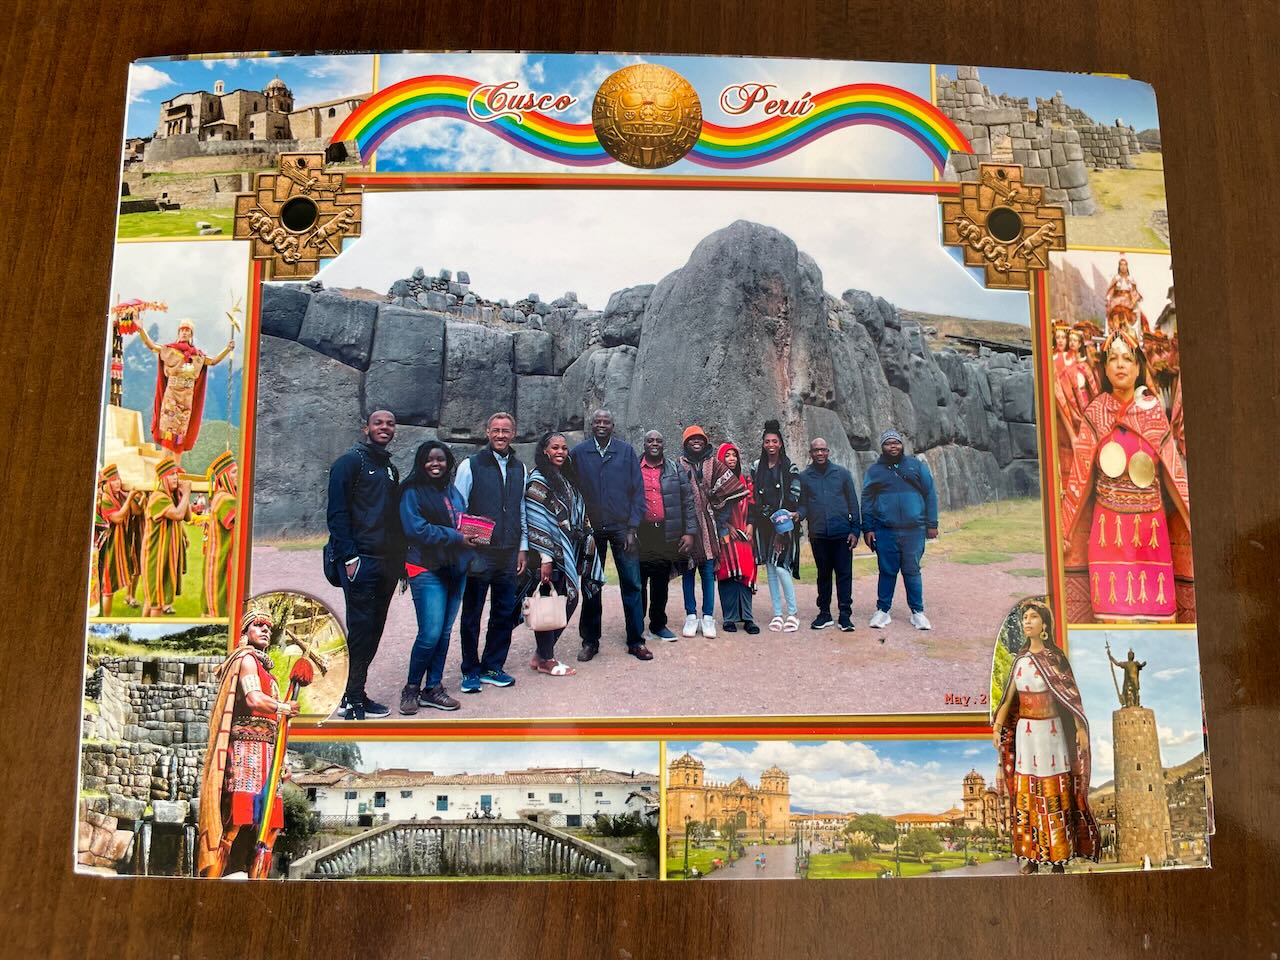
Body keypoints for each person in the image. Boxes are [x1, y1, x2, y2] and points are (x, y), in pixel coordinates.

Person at [1061, 331, 1194, 623]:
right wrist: (1065, 530)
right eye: (1113, 359)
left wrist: (1191, 522)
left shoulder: (1153, 412)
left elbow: (1173, 472)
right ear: (1105, 369)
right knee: (1111, 621)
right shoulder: (1096, 413)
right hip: (1107, 529)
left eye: (1127, 359)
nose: (1120, 365)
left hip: (1150, 531)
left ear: (1138, 367)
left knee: (1159, 618)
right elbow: (1080, 475)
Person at [991, 601, 1099, 874]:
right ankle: (1030, 857)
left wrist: (1081, 729)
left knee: (1055, 794)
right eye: (1025, 618)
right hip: (1027, 737)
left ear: (1045, 625)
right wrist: (997, 727)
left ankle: (1058, 857)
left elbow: (1070, 697)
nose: (1027, 622)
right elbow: (1007, 700)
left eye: (1033, 617)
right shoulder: (1020, 661)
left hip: (1051, 735)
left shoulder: (1056, 659)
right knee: (1026, 794)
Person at [197, 609, 298, 878]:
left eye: (268, 626)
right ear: (245, 632)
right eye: (258, 625)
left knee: (271, 827)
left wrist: (283, 760)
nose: (265, 629)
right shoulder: (247, 660)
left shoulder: (269, 672)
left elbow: (275, 725)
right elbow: (253, 700)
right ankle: (212, 883)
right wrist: (284, 706)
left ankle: (257, 884)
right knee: (236, 822)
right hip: (245, 751)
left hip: (268, 755)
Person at [326, 409, 404, 720]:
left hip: (386, 562)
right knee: (360, 630)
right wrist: (349, 557)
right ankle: (352, 700)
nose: (385, 427)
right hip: (361, 561)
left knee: (374, 629)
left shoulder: (389, 468)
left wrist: (400, 563)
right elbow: (337, 512)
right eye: (379, 423)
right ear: (366, 428)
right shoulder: (350, 462)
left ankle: (354, 691)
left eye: (390, 423)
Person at [398, 440, 478, 715]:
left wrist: (476, 530)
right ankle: (411, 688)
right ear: (421, 462)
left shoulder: (452, 490)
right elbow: (416, 529)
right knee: (430, 633)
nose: (436, 464)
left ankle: (433, 688)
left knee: (443, 632)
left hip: (455, 567)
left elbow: (460, 519)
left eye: (441, 459)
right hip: (426, 568)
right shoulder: (411, 492)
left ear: (448, 463)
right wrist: (457, 536)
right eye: (430, 459)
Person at [519, 432, 605, 676]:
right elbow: (536, 519)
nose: (560, 452)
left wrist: (584, 538)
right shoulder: (538, 479)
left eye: (564, 448)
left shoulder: (564, 477)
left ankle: (541, 656)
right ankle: (546, 658)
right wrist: (546, 558)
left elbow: (577, 511)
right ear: (544, 451)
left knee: (566, 599)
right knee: (553, 602)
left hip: (566, 550)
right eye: (555, 448)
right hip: (549, 554)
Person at [570, 410, 651, 661]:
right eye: (597, 422)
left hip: (621, 528)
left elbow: (638, 492)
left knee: (633, 584)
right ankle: (590, 642)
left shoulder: (625, 452)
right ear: (591, 425)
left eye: (606, 422)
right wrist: (579, 528)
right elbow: (571, 491)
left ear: (613, 426)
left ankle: (636, 641)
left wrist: (633, 528)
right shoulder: (579, 453)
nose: (602, 425)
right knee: (591, 585)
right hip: (591, 530)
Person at [455, 412, 528, 691]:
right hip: (478, 551)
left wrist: (523, 548)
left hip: (508, 551)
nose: (500, 435)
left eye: (505, 431)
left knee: (504, 611)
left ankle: (493, 666)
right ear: (487, 432)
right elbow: (458, 508)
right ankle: (470, 670)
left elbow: (520, 508)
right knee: (472, 612)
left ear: (513, 434)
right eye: (495, 430)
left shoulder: (520, 468)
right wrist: (462, 541)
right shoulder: (470, 465)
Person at [861, 429, 939, 631]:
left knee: (912, 570)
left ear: (902, 444)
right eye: (888, 443)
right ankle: (882, 611)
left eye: (896, 442)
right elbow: (867, 500)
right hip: (885, 529)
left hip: (914, 529)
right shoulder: (874, 471)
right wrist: (867, 527)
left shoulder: (916, 466)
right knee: (887, 570)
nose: (892, 446)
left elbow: (930, 493)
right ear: (882, 447)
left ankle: (918, 612)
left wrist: (932, 524)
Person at [678, 425, 748, 639]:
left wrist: (721, 517)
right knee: (688, 572)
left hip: (709, 527)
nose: (696, 442)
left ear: (705, 441)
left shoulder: (714, 464)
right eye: (691, 439)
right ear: (685, 443)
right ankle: (691, 615)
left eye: (700, 438)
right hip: (686, 526)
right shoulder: (679, 464)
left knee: (708, 573)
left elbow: (730, 490)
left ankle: (708, 616)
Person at [135, 318, 234, 462]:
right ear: (179, 332)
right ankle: (163, 471)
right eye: (182, 330)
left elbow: (213, 361)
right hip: (172, 395)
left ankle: (177, 471)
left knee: (180, 435)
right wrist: (141, 329)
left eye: (187, 330)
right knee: (168, 434)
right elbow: (151, 346)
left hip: (186, 397)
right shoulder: (170, 350)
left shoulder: (197, 356)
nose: (185, 332)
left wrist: (227, 349)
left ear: (191, 334)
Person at [636, 430, 696, 642]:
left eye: (658, 441)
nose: (654, 443)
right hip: (640, 533)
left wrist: (689, 532)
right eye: (650, 440)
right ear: (643, 444)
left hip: (665, 531)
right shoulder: (633, 468)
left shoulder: (674, 468)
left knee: (660, 580)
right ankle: (636, 627)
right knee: (639, 580)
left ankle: (658, 625)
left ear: (663, 444)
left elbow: (688, 501)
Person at [798, 438, 860, 631]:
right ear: (810, 453)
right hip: (819, 535)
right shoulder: (805, 477)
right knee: (823, 575)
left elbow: (853, 503)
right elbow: (803, 505)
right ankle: (824, 613)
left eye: (823, 450)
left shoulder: (842, 474)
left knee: (844, 575)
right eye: (815, 450)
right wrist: (797, 515)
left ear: (828, 451)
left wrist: (855, 531)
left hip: (842, 533)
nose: (819, 453)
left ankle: (845, 615)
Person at [750, 420, 802, 633]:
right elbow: (754, 496)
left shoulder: (790, 467)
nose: (770, 444)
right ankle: (777, 614)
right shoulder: (756, 467)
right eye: (767, 441)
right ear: (763, 444)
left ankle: (792, 613)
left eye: (774, 441)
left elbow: (794, 497)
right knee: (770, 570)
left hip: (785, 525)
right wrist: (764, 516)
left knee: (782, 567)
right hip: (764, 526)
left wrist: (782, 526)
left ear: (780, 444)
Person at [714, 442, 759, 633]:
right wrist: (727, 526)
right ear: (721, 459)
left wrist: (750, 524)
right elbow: (713, 509)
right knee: (727, 575)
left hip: (744, 535)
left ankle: (748, 618)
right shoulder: (717, 483)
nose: (732, 459)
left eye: (734, 455)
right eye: (727, 455)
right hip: (726, 536)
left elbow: (753, 505)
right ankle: (729, 618)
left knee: (746, 573)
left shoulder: (745, 480)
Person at [142, 457, 191, 617]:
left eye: (177, 474)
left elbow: (187, 517)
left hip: (163, 555)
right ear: (163, 478)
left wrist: (182, 495)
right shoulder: (159, 497)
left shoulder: (169, 497)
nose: (176, 477)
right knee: (157, 603)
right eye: (171, 475)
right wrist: (187, 493)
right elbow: (177, 514)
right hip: (156, 557)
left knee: (152, 601)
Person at [95, 464, 143, 617]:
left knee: (111, 586)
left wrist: (135, 497)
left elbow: (137, 511)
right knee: (107, 589)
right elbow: (118, 518)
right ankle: (105, 619)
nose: (118, 483)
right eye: (113, 481)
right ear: (106, 484)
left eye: (119, 480)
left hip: (118, 547)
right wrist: (129, 497)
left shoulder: (119, 495)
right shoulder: (105, 499)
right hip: (108, 548)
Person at [1054, 325, 1101, 474]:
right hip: (1064, 405)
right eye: (1058, 337)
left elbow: (1091, 385)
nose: (1062, 341)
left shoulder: (1077, 360)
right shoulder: (1054, 358)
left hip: (1082, 403)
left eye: (1064, 338)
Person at [201, 451, 237, 619]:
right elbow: (242, 518)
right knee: (220, 606)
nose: (239, 475)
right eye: (234, 472)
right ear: (224, 477)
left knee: (213, 608)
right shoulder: (225, 499)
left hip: (218, 559)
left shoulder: (223, 496)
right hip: (220, 561)